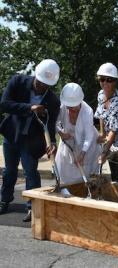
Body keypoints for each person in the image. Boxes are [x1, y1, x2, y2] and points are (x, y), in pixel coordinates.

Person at [0, 59, 61, 222]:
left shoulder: (53, 101)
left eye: (47, 85)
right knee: (10, 171)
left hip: (32, 141)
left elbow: (51, 124)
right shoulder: (17, 81)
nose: (43, 88)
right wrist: (29, 108)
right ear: (36, 76)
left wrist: (53, 143)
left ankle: (32, 207)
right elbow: (4, 104)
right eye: (41, 83)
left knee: (31, 172)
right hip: (12, 135)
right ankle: (4, 200)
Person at [55, 83, 101, 185]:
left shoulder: (87, 111)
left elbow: (89, 136)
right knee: (65, 170)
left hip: (87, 145)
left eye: (73, 107)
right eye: (68, 107)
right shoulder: (62, 107)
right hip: (68, 142)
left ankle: (85, 192)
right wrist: (61, 134)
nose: (70, 110)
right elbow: (54, 122)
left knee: (85, 171)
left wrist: (82, 153)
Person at [94, 63, 118, 183]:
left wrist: (104, 152)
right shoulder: (101, 94)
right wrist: (102, 133)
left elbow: (114, 130)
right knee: (113, 178)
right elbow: (101, 115)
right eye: (102, 79)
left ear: (115, 81)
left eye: (109, 80)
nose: (105, 83)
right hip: (108, 141)